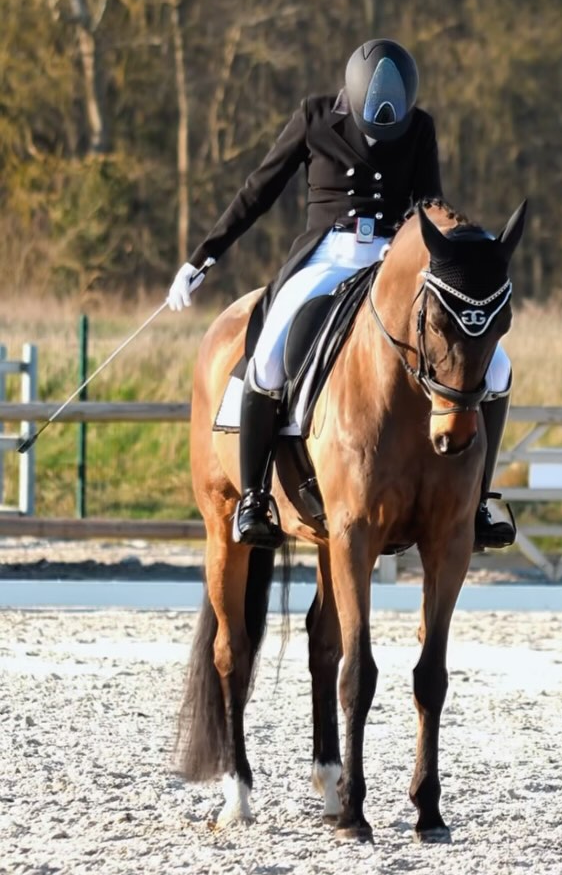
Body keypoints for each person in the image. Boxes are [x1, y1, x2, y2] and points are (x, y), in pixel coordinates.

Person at [168, 38, 514, 550]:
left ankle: (479, 500)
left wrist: (464, 249)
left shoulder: (420, 128)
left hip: (394, 262)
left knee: (499, 366)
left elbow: (431, 205)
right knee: (265, 359)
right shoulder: (313, 117)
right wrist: (203, 257)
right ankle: (256, 495)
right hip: (327, 256)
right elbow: (259, 190)